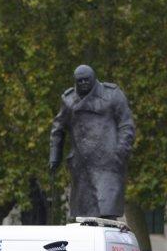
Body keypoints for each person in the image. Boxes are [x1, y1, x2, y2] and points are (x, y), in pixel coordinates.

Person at [49, 64, 136, 219]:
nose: (83, 83)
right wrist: (55, 156)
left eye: (86, 80)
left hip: (108, 163)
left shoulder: (112, 95)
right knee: (82, 215)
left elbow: (126, 125)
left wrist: (121, 152)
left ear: (94, 78)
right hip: (81, 165)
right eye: (79, 81)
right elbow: (58, 129)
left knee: (106, 211)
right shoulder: (68, 100)